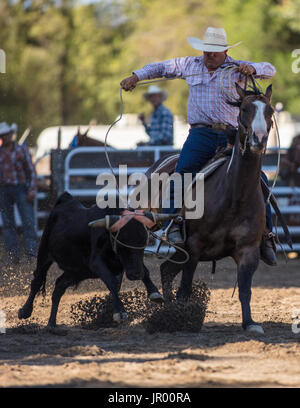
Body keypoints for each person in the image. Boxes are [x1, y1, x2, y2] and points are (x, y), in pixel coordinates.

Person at [120, 27, 277, 266]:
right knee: (183, 172)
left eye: (215, 51)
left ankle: (266, 235)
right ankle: (174, 223)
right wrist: (136, 76)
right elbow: (160, 67)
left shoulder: (238, 68)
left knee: (260, 179)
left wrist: (254, 68)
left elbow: (270, 69)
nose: (210, 55)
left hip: (233, 134)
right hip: (201, 133)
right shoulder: (189, 65)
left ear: (225, 51)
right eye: (207, 51)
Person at [0, 122, 38, 264]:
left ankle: (31, 254)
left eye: (6, 135)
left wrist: (32, 189)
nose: (5, 137)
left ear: (10, 135)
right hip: (4, 190)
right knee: (8, 224)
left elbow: (31, 171)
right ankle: (13, 255)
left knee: (28, 221)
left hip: (20, 188)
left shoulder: (21, 150)